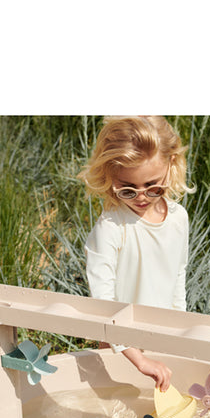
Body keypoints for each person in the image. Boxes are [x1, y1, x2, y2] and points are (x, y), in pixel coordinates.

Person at [79, 116, 193, 392]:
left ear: (171, 164)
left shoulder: (178, 218)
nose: (141, 197)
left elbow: (177, 278)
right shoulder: (111, 227)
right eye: (128, 190)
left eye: (153, 186)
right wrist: (139, 359)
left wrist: (179, 336)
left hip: (163, 340)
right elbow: (103, 303)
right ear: (110, 176)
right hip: (121, 351)